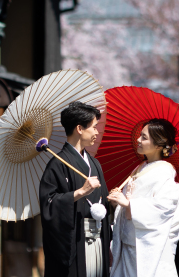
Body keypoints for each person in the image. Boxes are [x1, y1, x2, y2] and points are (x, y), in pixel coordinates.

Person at [107, 119, 179, 277]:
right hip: (127, 246)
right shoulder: (140, 168)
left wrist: (129, 204)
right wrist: (117, 202)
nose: (138, 140)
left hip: (146, 251)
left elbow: (162, 209)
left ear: (158, 145)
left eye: (144, 137)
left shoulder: (164, 173)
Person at [39, 102, 112, 277]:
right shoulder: (57, 164)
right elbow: (48, 204)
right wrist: (79, 192)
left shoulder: (94, 163)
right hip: (75, 239)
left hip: (99, 237)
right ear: (79, 128)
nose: (97, 132)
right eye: (94, 127)